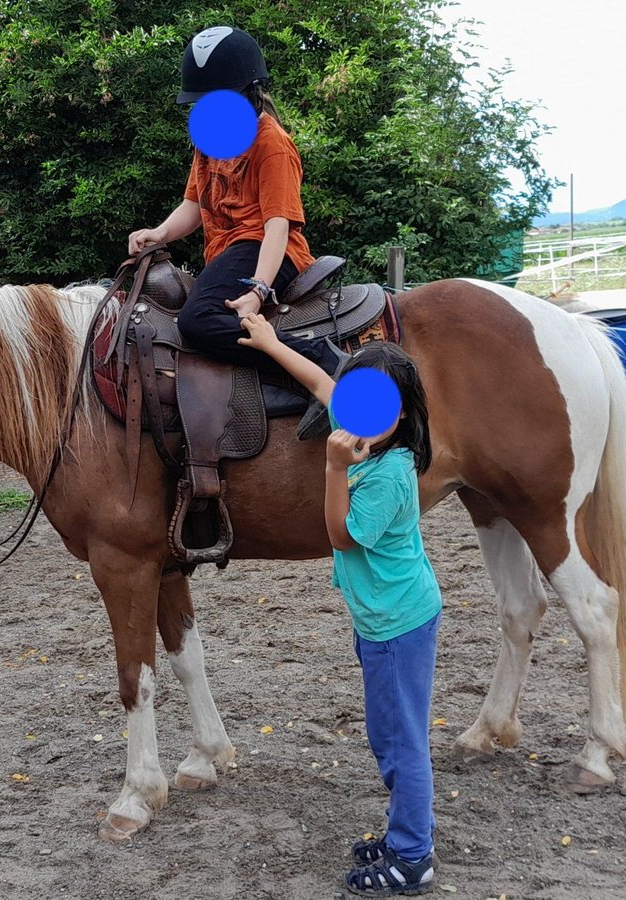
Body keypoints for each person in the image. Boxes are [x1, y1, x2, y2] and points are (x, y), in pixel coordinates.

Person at [238, 314, 443, 896]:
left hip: (397, 623)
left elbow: (342, 535)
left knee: (403, 741)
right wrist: (274, 344)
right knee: (389, 735)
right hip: (381, 618)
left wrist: (332, 468)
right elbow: (320, 385)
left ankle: (412, 857)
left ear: (399, 414)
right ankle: (411, 829)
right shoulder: (363, 428)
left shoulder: (389, 475)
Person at [127, 25, 344, 438]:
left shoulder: (271, 144)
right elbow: (194, 205)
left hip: (267, 249)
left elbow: (277, 225)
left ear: (248, 92)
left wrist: (259, 289)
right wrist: (159, 232)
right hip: (228, 253)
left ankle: (316, 360)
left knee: (198, 321)